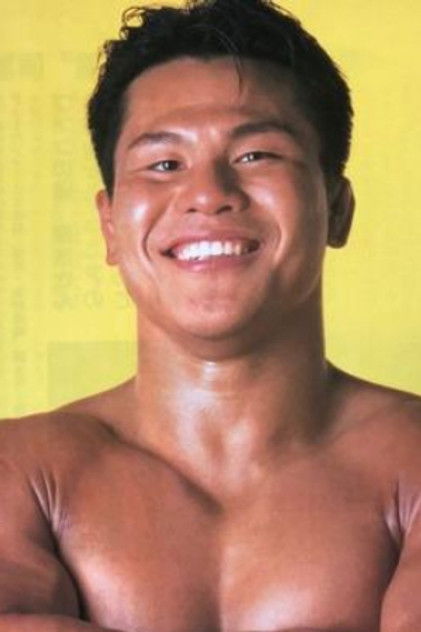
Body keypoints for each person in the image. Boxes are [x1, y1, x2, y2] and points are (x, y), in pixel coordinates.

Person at [0, 0, 420, 630]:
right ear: (110, 226)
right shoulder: (22, 471)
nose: (207, 194)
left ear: (336, 208)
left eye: (257, 155)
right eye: (164, 164)